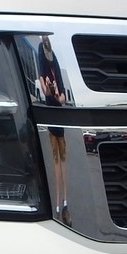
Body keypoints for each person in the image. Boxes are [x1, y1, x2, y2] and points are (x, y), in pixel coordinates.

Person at [36, 36, 70, 226]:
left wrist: (58, 93)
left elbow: (62, 98)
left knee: (62, 158)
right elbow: (46, 93)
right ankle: (57, 204)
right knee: (56, 160)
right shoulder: (43, 73)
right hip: (51, 118)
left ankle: (64, 203)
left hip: (60, 119)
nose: (45, 39)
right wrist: (51, 90)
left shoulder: (56, 71)